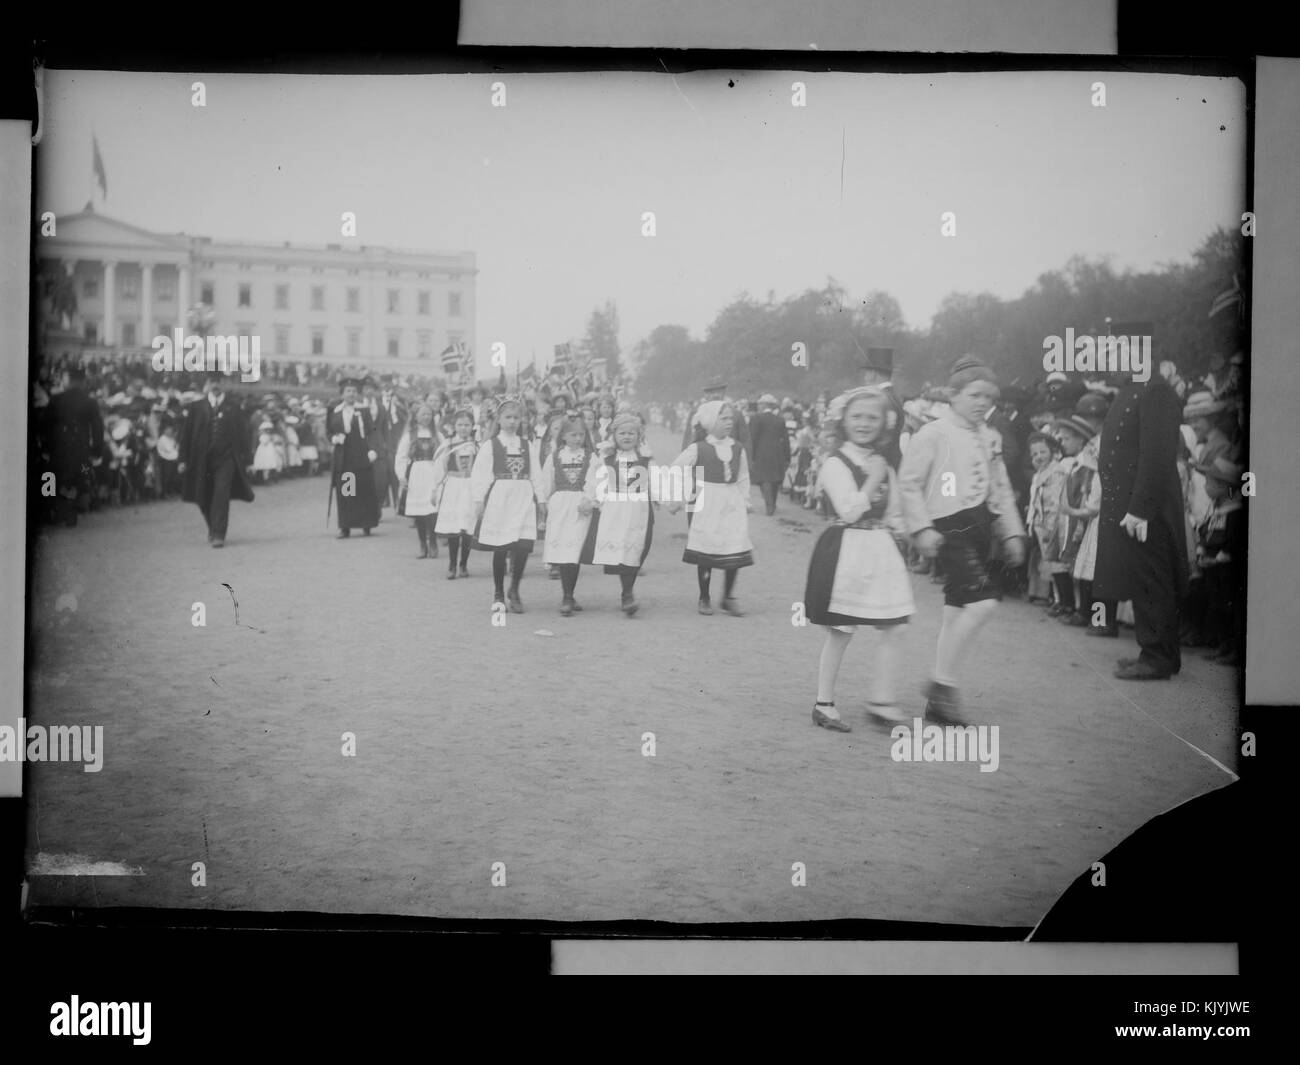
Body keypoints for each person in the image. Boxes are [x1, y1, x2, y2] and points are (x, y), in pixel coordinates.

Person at [898, 355, 1027, 723]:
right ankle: (941, 683)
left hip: (979, 529)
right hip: (946, 528)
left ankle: (938, 704)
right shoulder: (933, 433)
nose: (983, 402)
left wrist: (1012, 532)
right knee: (984, 602)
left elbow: (1000, 488)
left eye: (990, 397)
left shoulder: (991, 437)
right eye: (975, 394)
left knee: (956, 612)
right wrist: (921, 528)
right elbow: (908, 483)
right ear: (953, 395)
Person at [804, 388, 915, 732]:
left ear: (884, 424)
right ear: (843, 421)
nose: (864, 424)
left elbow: (895, 510)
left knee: (893, 624)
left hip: (879, 549)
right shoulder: (835, 462)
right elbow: (849, 509)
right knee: (841, 629)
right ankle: (824, 703)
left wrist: (906, 532)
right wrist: (875, 477)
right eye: (857, 417)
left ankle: (881, 699)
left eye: (873, 418)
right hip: (846, 549)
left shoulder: (883, 462)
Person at [1092, 366, 1189, 680]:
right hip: (1132, 501)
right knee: (1144, 577)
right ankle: (1157, 652)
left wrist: (1141, 508)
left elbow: (1157, 454)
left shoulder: (1155, 390)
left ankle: (1157, 656)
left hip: (1148, 505)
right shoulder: (1136, 387)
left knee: (1152, 578)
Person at [669, 400, 754, 616]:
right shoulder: (699, 448)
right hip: (708, 502)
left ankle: (727, 597)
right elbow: (677, 468)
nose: (729, 422)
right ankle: (704, 596)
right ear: (710, 421)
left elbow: (743, 476)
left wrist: (745, 499)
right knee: (707, 549)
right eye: (723, 418)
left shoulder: (737, 448)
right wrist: (682, 495)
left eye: (730, 418)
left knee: (734, 545)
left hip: (732, 502)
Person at [470, 395, 545, 612]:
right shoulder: (491, 445)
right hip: (501, 497)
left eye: (516, 418)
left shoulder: (526, 444)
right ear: (499, 420)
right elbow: (480, 474)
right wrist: (478, 500)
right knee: (501, 547)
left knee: (522, 546)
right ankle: (498, 592)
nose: (512, 421)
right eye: (508, 417)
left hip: (523, 496)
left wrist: (541, 499)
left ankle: (515, 589)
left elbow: (536, 473)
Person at [580, 411, 656, 616]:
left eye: (632, 433)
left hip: (638, 509)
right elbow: (594, 480)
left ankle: (627, 592)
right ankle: (627, 592)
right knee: (620, 549)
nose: (627, 436)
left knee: (634, 548)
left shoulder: (645, 459)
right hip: (614, 508)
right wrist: (590, 499)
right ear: (614, 435)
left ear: (638, 436)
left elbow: (656, 481)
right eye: (622, 433)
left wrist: (665, 498)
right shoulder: (606, 458)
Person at [178, 371, 255, 548]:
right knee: (203, 496)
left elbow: (244, 435)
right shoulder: (197, 407)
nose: (216, 385)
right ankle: (213, 527)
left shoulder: (233, 407)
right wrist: (183, 459)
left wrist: (249, 461)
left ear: (224, 383)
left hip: (226, 460)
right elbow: (186, 435)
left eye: (219, 381)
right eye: (212, 381)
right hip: (202, 460)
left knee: (221, 494)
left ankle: (219, 534)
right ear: (207, 384)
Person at [540, 414, 598, 614]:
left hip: (580, 505)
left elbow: (596, 479)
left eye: (581, 435)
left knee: (574, 551)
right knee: (563, 550)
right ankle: (567, 595)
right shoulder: (554, 456)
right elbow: (546, 482)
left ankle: (568, 596)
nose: (577, 438)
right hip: (560, 506)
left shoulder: (591, 456)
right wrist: (544, 504)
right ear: (563, 436)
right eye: (573, 434)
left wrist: (589, 499)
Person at [43, 365, 104, 527]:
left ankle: (57, 510)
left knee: (54, 477)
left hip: (58, 449)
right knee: (80, 477)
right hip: (81, 451)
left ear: (68, 380)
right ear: (83, 382)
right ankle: (72, 510)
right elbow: (98, 428)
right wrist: (97, 451)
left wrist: (46, 448)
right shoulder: (90, 402)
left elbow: (45, 426)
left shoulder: (56, 399)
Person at [327, 377, 381, 539]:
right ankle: (345, 526)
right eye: (348, 391)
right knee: (347, 493)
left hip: (361, 457)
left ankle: (366, 524)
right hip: (344, 459)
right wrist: (334, 438)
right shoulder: (334, 411)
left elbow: (371, 432)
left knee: (364, 491)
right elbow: (328, 431)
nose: (351, 394)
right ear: (342, 394)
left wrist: (372, 450)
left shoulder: (363, 410)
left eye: (354, 391)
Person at [431, 410, 479, 579]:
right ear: (454, 426)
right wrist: (435, 488)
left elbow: (481, 469)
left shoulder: (476, 445)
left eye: (467, 425)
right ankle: (452, 565)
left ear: (472, 426)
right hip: (453, 486)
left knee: (467, 527)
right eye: (460, 424)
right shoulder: (448, 445)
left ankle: (463, 564)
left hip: (470, 486)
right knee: (453, 528)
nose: (463, 428)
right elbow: (439, 467)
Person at [395, 402, 442, 559]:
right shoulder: (409, 436)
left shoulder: (437, 435)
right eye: (423, 414)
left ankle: (433, 541)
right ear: (415, 417)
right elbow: (401, 456)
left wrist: (442, 475)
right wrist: (401, 476)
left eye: (429, 414)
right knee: (419, 513)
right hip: (416, 474)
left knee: (431, 510)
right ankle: (423, 544)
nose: (426, 417)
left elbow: (444, 454)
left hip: (432, 473)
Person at [1024, 431, 1066, 606]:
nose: (1038, 456)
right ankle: (1056, 599)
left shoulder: (1056, 471)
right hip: (1040, 524)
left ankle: (1062, 601)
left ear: (1052, 451)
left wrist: (1051, 524)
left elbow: (1055, 501)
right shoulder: (1039, 473)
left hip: (1052, 523)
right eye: (1034, 454)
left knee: (1056, 564)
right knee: (1048, 563)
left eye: (1043, 452)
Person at [855, 347, 905, 468]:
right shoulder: (893, 396)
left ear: (873, 374)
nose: (865, 377)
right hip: (891, 463)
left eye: (866, 372)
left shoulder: (881, 399)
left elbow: (881, 439)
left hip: (879, 465)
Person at [748, 394, 792, 516]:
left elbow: (753, 438)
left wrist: (751, 455)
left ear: (764, 405)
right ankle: (772, 502)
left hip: (761, 453)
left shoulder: (756, 418)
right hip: (777, 453)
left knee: (764, 479)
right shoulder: (780, 419)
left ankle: (769, 505)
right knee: (774, 479)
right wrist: (787, 456)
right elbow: (786, 440)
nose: (758, 406)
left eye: (760, 404)